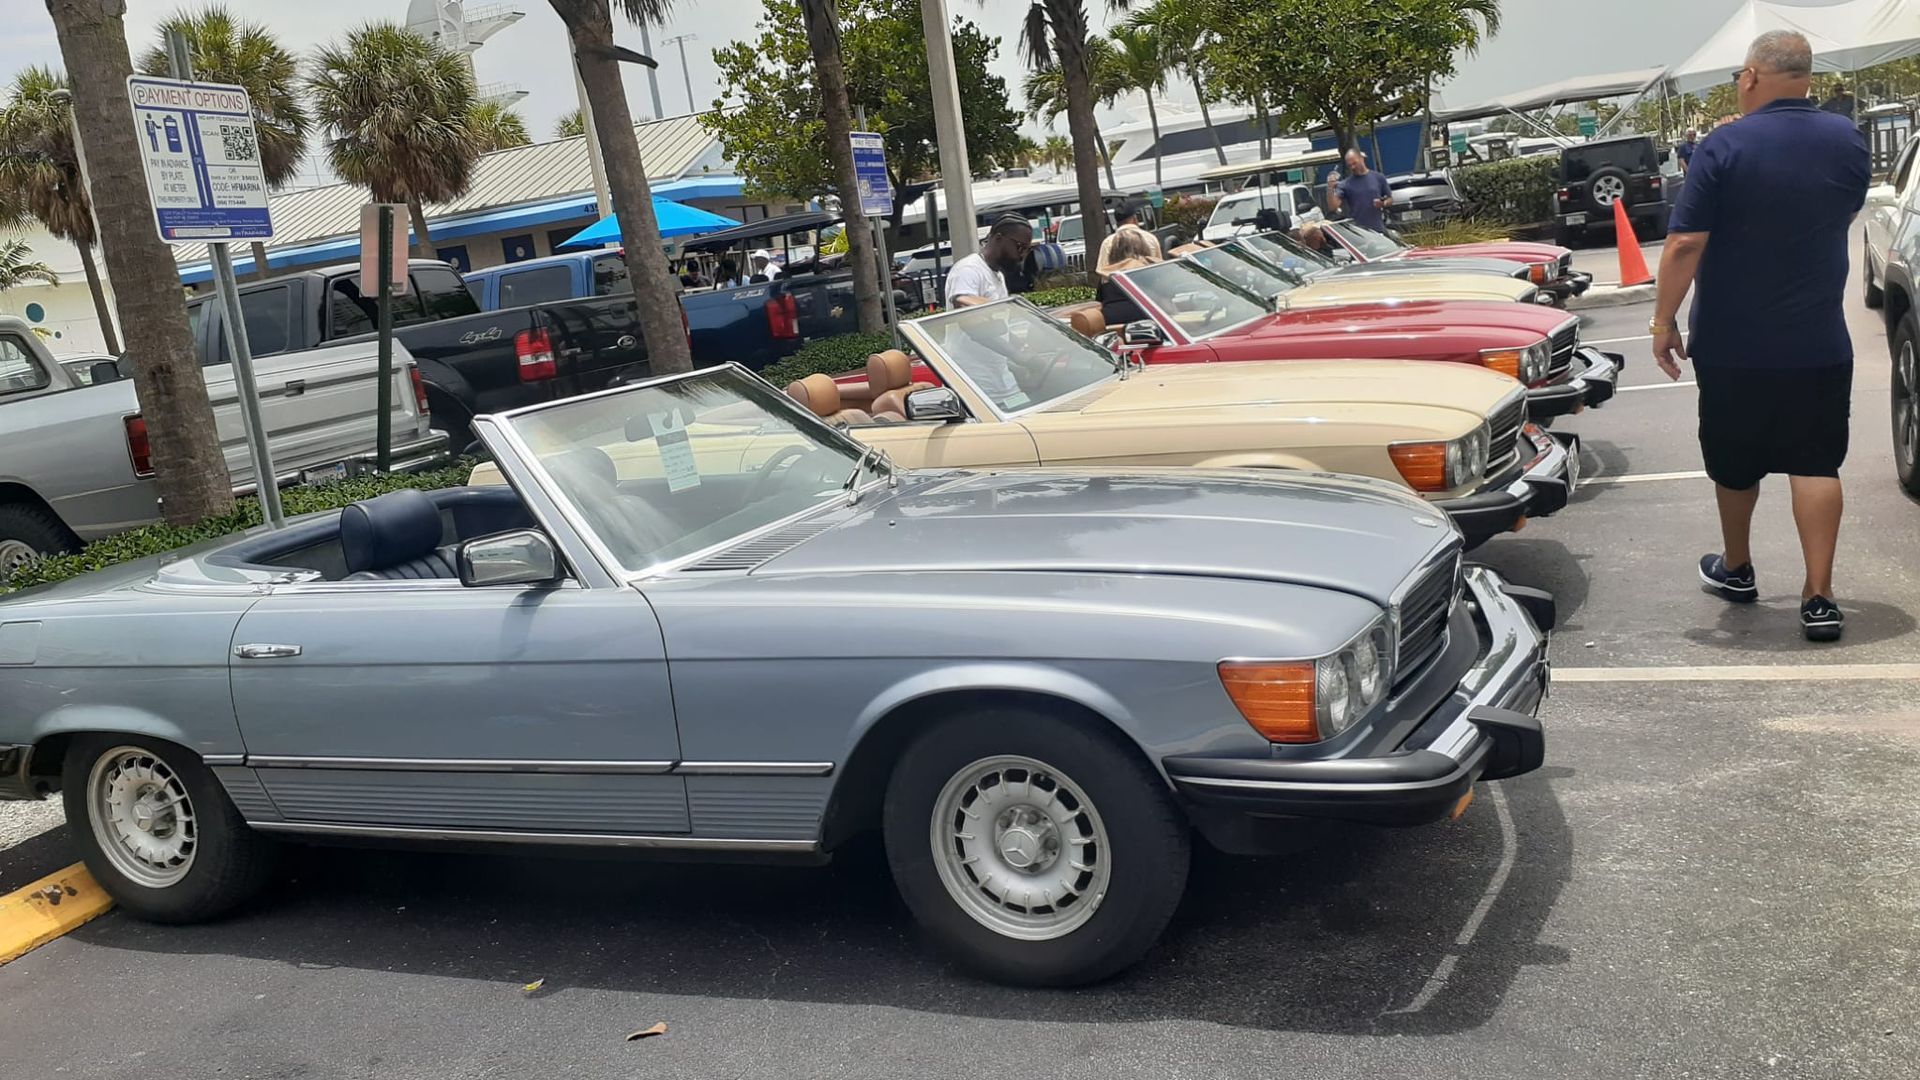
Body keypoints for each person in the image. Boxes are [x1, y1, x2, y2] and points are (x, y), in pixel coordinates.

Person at [1650, 29, 1870, 643]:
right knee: (1816, 462)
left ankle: (1738, 567)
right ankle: (1819, 597)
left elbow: (1685, 243)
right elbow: (1839, 212)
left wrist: (1662, 322)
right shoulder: (1847, 139)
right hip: (1818, 340)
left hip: (1732, 344)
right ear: (1806, 77)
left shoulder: (1724, 146)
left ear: (1750, 77)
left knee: (1735, 463)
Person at [943, 214, 1033, 309]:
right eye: (1020, 247)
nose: (1023, 255)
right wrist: (1010, 308)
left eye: (1027, 249)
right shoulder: (969, 269)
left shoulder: (997, 274)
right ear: (998, 239)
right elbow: (962, 301)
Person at [1095, 226, 1162, 327]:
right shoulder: (1151, 274)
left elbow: (1100, 301)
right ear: (1143, 248)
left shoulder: (1106, 277)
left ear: (1114, 252)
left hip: (1112, 322)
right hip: (1149, 320)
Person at [1328, 149, 1392, 232]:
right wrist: (1330, 188)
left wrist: (1383, 203)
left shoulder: (1378, 177)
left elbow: (1390, 199)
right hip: (1359, 232)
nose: (1353, 167)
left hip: (1378, 228)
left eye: (1354, 163)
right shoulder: (1345, 184)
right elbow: (1333, 207)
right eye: (1349, 165)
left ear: (1362, 159)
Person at [1095, 201, 1162, 268]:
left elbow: (1103, 270)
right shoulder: (1150, 238)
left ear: (1117, 224)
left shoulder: (1108, 243)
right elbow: (1159, 265)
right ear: (1135, 219)